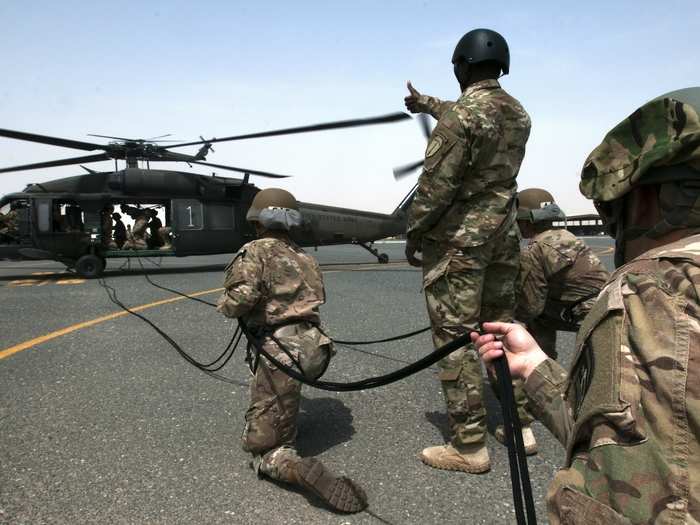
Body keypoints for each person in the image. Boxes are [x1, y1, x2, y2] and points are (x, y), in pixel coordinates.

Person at [473, 88, 700, 523]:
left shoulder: (654, 290)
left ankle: (518, 424)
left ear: (645, 199)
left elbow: (630, 486)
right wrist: (537, 366)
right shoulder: (568, 238)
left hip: (581, 313)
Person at [403, 28, 533, 472]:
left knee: (456, 339)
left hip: (460, 243)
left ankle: (470, 444)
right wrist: (428, 104)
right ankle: (521, 425)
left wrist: (416, 232)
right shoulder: (518, 114)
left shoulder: (460, 119)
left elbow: (437, 186)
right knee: (501, 328)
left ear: (461, 65)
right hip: (505, 236)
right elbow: (478, 117)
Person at [216, 188, 367, 513]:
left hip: (279, 351)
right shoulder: (304, 256)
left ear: (257, 220)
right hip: (313, 348)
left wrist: (224, 304)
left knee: (259, 446)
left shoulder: (254, 250)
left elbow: (241, 300)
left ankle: (290, 464)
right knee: (284, 396)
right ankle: (284, 420)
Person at [515, 188, 610, 359]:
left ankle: (541, 366)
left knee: (535, 318)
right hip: (607, 305)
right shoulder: (567, 236)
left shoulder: (534, 249)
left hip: (586, 315)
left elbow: (531, 307)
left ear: (525, 221)